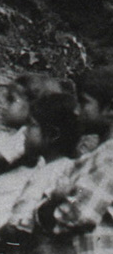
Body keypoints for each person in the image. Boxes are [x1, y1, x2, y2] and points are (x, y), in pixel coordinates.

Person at [36, 66, 113, 253]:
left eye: (84, 102)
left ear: (110, 108)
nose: (76, 111)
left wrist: (52, 202)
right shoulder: (96, 156)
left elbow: (78, 216)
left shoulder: (109, 159)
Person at [0, 92, 79, 253]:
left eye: (31, 125)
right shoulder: (45, 167)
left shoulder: (61, 170)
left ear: (52, 134)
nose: (24, 131)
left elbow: (30, 223)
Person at [0, 73, 65, 242]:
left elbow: (3, 158)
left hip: (8, 205)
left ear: (33, 105)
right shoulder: (19, 137)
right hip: (2, 200)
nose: (4, 107)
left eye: (12, 101)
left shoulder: (25, 138)